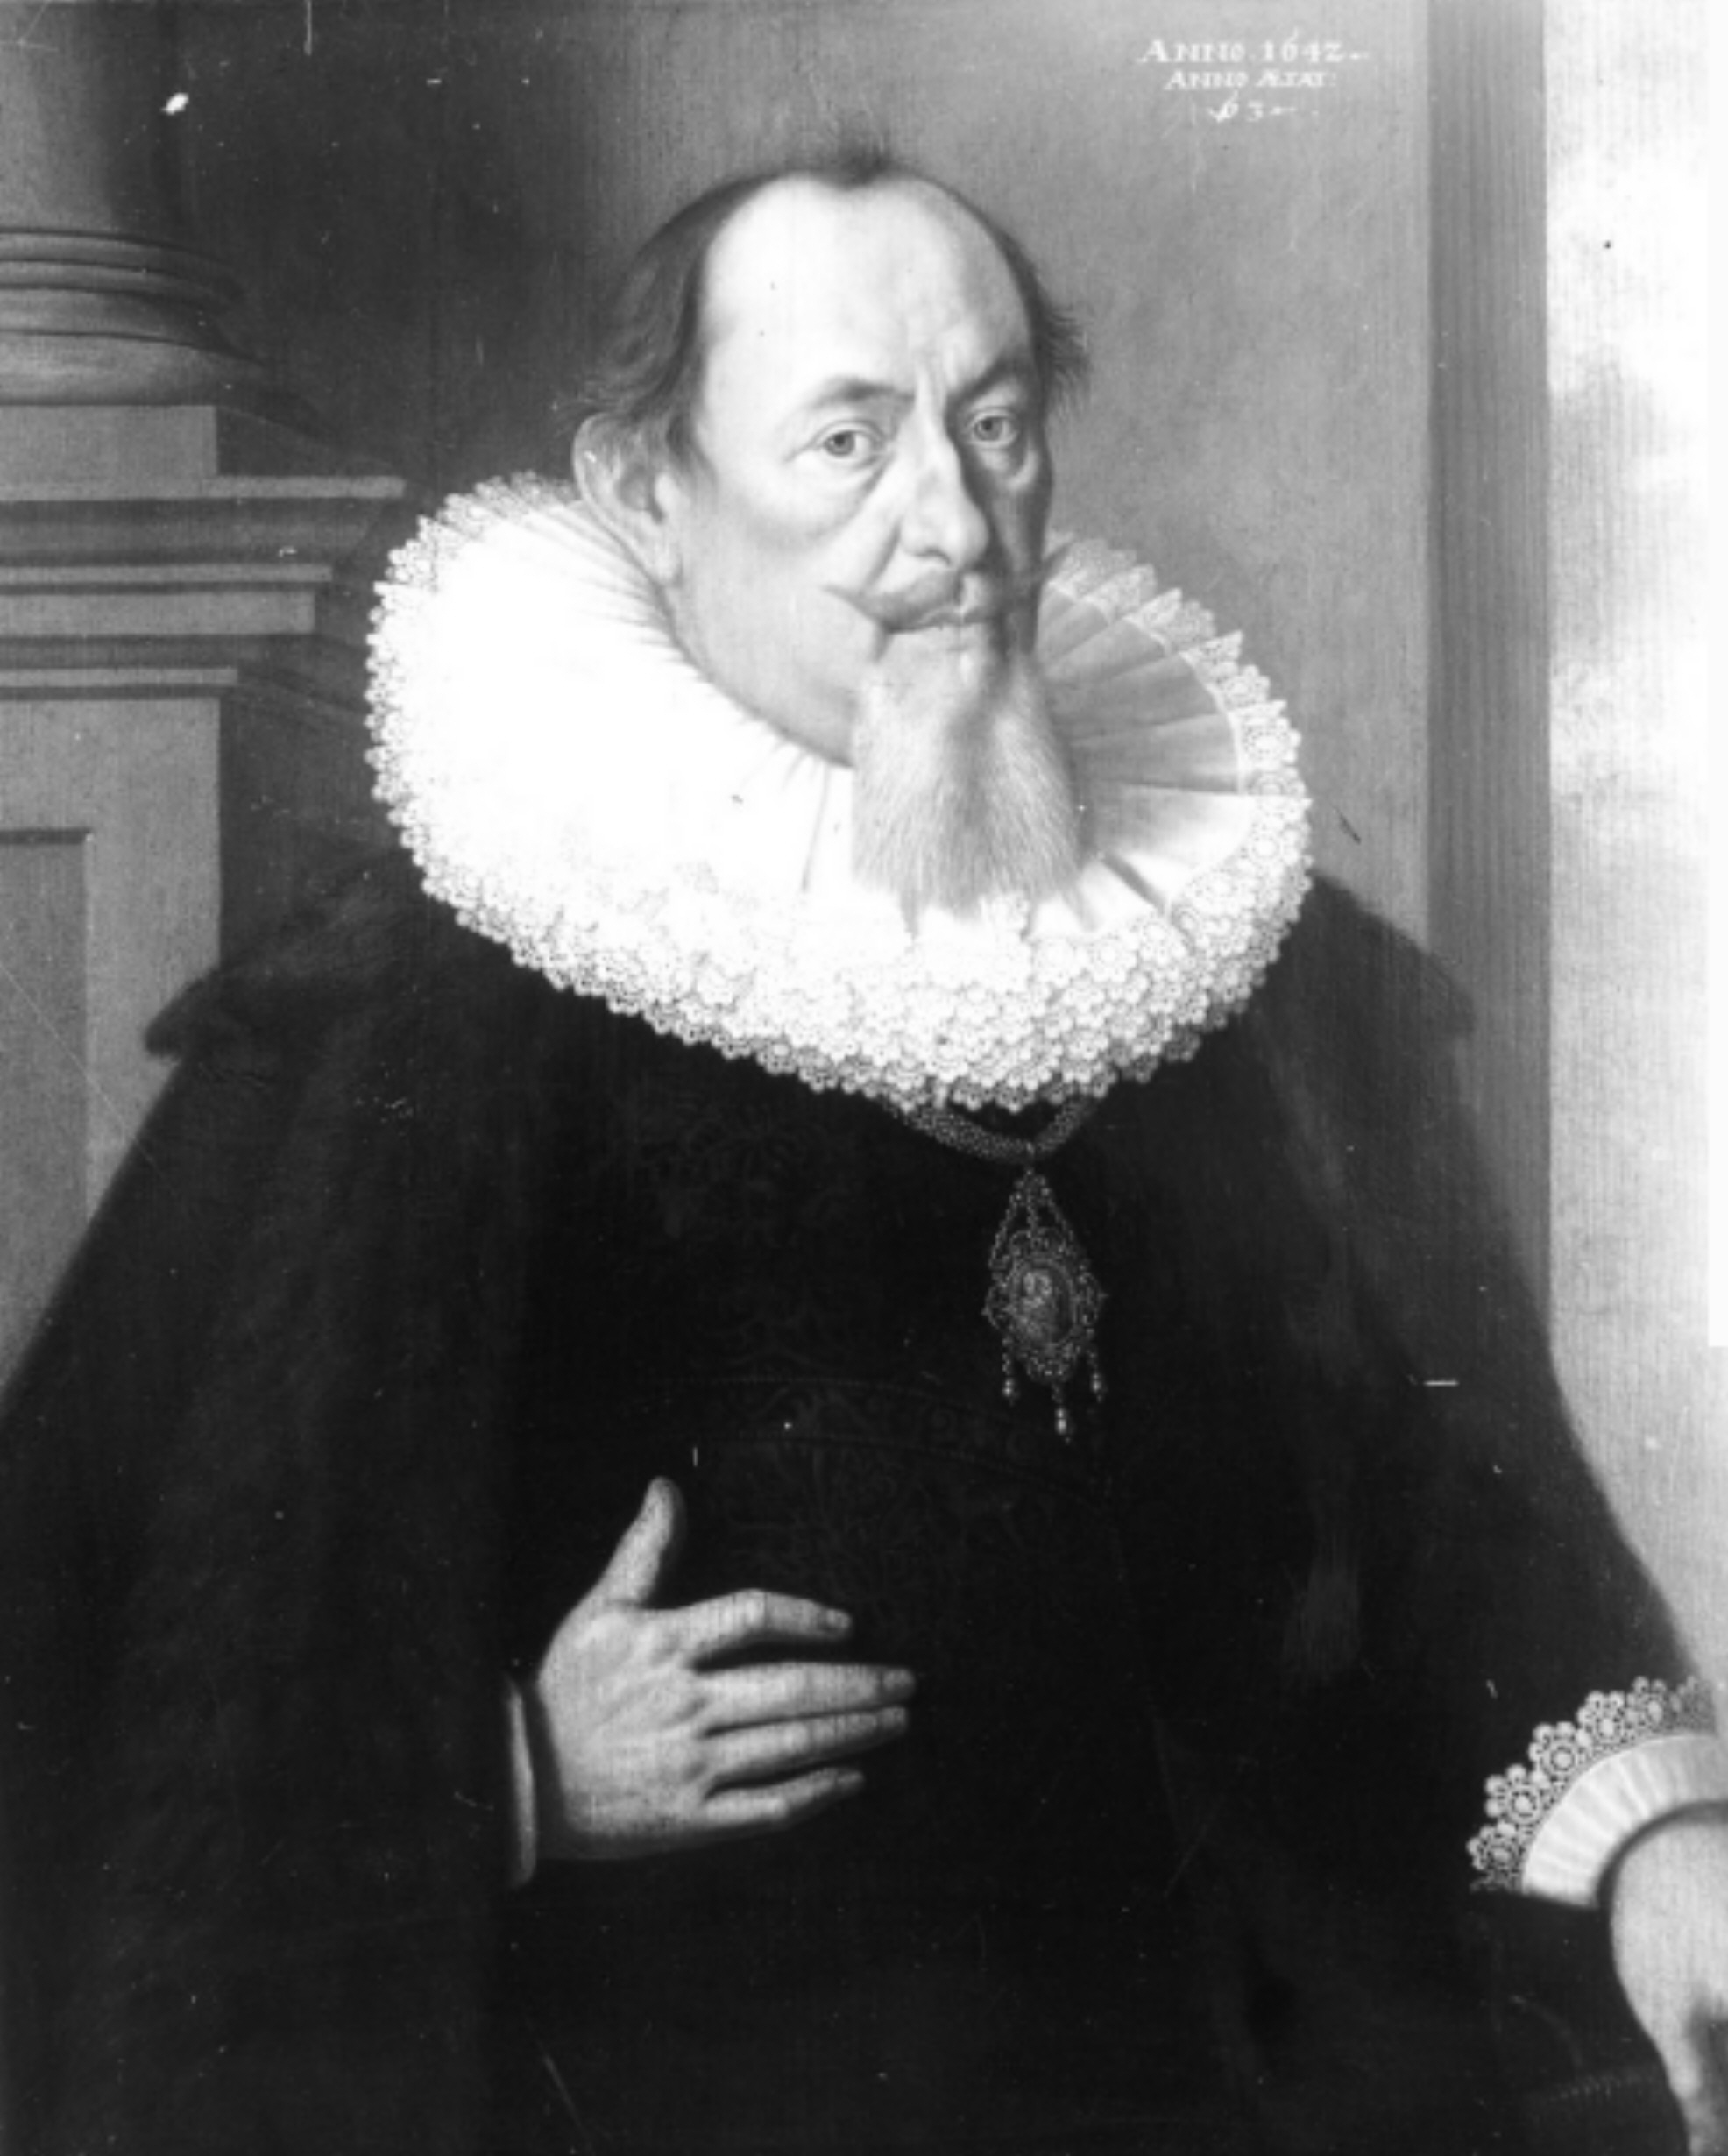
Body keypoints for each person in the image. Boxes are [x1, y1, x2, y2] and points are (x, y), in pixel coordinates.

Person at [3, 148, 1725, 2156]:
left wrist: (1657, 1838)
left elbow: (1461, 1503)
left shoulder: (1260, 973)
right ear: (644, 492)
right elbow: (91, 1656)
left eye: (992, 426)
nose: (955, 527)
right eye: (845, 442)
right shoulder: (422, 1005)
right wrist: (505, 1775)